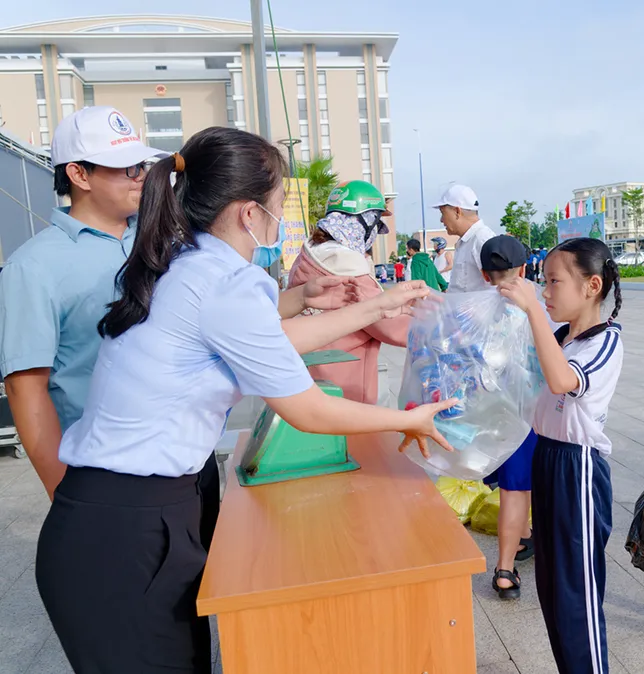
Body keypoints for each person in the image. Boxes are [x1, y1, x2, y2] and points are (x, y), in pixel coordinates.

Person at [33, 126, 457, 674]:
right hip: (124, 533)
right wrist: (408, 419)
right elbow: (305, 408)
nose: (282, 217)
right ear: (248, 213)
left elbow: (273, 347)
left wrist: (379, 305)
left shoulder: (185, 262)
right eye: (278, 204)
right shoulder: (225, 281)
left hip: (128, 517)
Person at [0, 107, 166, 501]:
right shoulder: (34, 266)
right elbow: (26, 388)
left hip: (182, 456)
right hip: (105, 473)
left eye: (140, 165)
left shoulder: (158, 240)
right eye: (125, 168)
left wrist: (300, 298)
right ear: (78, 174)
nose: (140, 176)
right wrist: (66, 494)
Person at [498, 238, 624, 674]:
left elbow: (559, 381)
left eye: (553, 281)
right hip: (547, 458)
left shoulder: (604, 342)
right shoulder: (560, 336)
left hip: (578, 468)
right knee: (551, 587)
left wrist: (531, 308)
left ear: (592, 286)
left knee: (577, 592)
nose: (545, 291)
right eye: (543, 282)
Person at [287, 180, 408, 404]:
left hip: (313, 366)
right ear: (363, 222)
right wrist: (433, 327)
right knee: (353, 437)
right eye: (376, 225)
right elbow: (386, 323)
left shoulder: (311, 253)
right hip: (343, 375)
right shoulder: (346, 263)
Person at [479, 235, 540, 600]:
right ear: (523, 269)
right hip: (532, 413)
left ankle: (522, 542)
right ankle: (504, 570)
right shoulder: (538, 304)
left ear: (486, 275)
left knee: (514, 489)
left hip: (496, 413)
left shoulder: (477, 307)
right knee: (519, 491)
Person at [432, 184, 495, 292]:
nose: (441, 220)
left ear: (457, 211)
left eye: (443, 213)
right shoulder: (465, 242)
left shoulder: (482, 240)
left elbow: (497, 290)